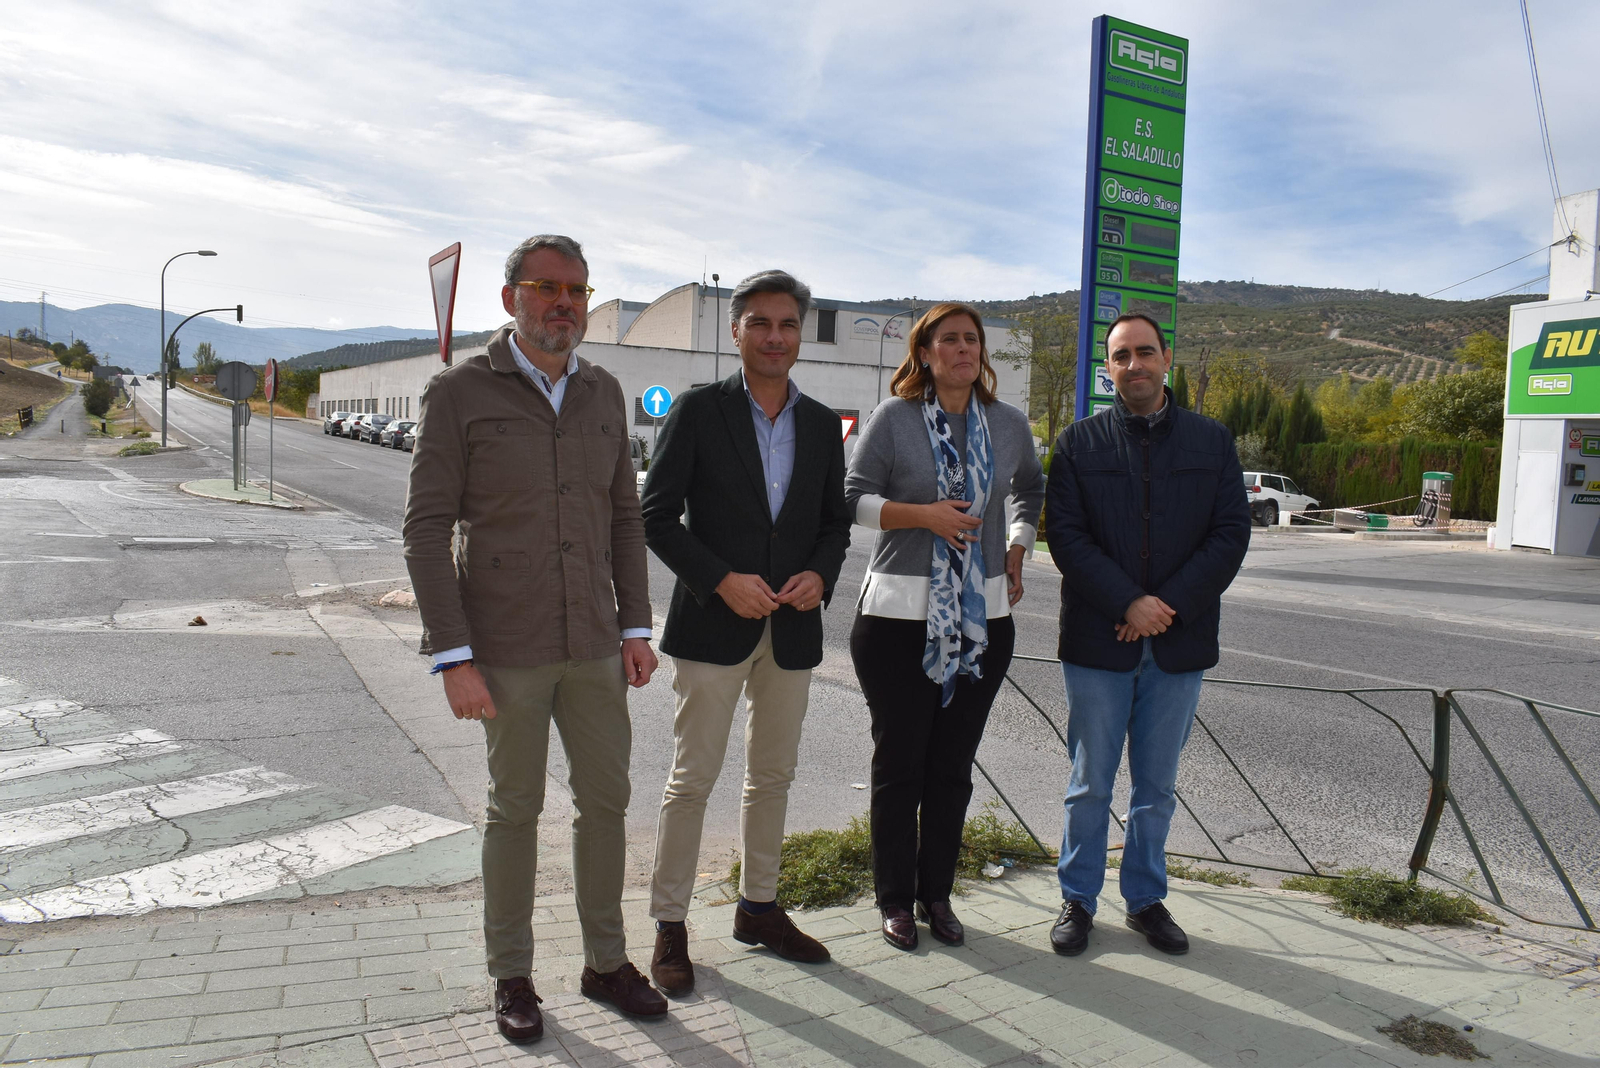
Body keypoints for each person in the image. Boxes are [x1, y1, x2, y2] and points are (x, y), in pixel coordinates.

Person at [403, 234, 667, 1044]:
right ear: (512, 296)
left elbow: (625, 517)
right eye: (548, 287)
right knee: (513, 811)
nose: (565, 303)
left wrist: (634, 626)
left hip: (593, 642)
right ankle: (512, 975)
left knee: (607, 805)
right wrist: (453, 657)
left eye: (578, 291)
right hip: (503, 651)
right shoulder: (458, 392)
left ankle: (605, 962)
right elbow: (424, 530)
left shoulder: (603, 392)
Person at [640, 269, 852, 996]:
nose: (774, 337)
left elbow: (834, 524)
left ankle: (759, 908)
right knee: (691, 780)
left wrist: (821, 575)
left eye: (787, 324)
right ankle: (670, 925)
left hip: (791, 631)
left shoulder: (824, 425)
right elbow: (655, 516)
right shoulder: (700, 412)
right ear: (735, 332)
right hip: (710, 626)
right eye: (759, 323)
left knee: (773, 778)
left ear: (801, 333)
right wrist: (720, 580)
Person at [1043, 312, 1250, 957]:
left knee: (1156, 786)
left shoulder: (1212, 442)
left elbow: (1230, 534)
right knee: (1090, 784)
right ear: (1108, 367)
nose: (1134, 365)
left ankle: (1144, 900)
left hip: (1178, 644)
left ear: (1167, 359)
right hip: (1098, 642)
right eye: (1121, 355)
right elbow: (1068, 538)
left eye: (1145, 353)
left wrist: (1166, 608)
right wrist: (1129, 602)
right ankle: (1077, 899)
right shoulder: (1078, 444)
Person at [844, 302, 1044, 951]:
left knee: (951, 769)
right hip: (897, 621)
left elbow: (1031, 490)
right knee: (900, 765)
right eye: (948, 339)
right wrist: (920, 516)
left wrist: (1017, 546)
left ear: (981, 354)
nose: (962, 349)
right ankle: (894, 899)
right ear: (925, 352)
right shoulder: (894, 419)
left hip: (984, 621)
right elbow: (851, 498)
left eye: (971, 340)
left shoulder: (1008, 425)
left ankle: (938, 895)